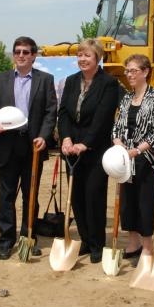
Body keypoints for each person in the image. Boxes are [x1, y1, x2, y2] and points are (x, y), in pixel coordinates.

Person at [0, 36, 57, 260]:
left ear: (34, 55)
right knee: (6, 196)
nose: (21, 55)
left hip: (33, 146)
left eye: (26, 52)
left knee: (30, 195)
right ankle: (6, 241)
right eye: (17, 52)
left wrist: (44, 136)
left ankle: (28, 238)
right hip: (6, 145)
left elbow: (50, 111)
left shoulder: (45, 80)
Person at [58, 39, 120, 263]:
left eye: (87, 55)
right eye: (80, 55)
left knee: (93, 195)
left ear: (98, 58)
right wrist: (66, 138)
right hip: (71, 150)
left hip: (95, 149)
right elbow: (64, 113)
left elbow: (103, 118)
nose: (82, 59)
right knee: (76, 197)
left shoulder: (109, 83)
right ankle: (84, 239)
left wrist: (85, 143)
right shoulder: (71, 81)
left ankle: (96, 243)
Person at [111, 54, 154, 261]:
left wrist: (137, 150)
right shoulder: (127, 98)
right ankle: (133, 243)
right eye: (127, 71)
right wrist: (118, 143)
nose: (129, 75)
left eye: (133, 71)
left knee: (145, 203)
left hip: (147, 160)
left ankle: (147, 247)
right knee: (128, 203)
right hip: (125, 160)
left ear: (145, 71)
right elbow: (117, 126)